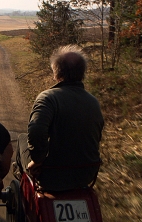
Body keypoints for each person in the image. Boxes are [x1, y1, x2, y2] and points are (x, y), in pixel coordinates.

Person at [15, 45, 104, 191]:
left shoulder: (48, 98)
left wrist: (37, 160)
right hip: (86, 174)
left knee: (21, 139)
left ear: (56, 73)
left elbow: (36, 131)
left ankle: (23, 194)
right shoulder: (93, 101)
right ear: (82, 73)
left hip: (52, 173)